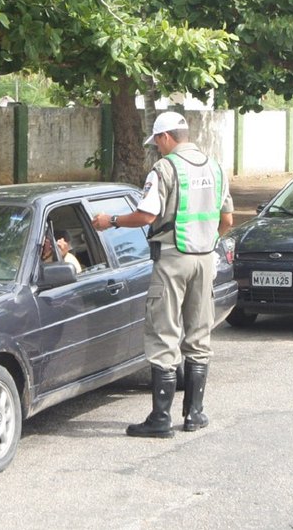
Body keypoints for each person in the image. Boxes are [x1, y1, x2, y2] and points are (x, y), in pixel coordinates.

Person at [91, 111, 233, 438]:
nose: (157, 148)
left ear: (165, 137)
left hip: (172, 259)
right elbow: (226, 219)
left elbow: (146, 214)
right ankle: (195, 414)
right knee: (199, 336)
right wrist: (206, 240)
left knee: (163, 335)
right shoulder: (215, 167)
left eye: (157, 142)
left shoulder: (165, 169)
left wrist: (109, 222)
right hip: (205, 258)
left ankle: (160, 420)